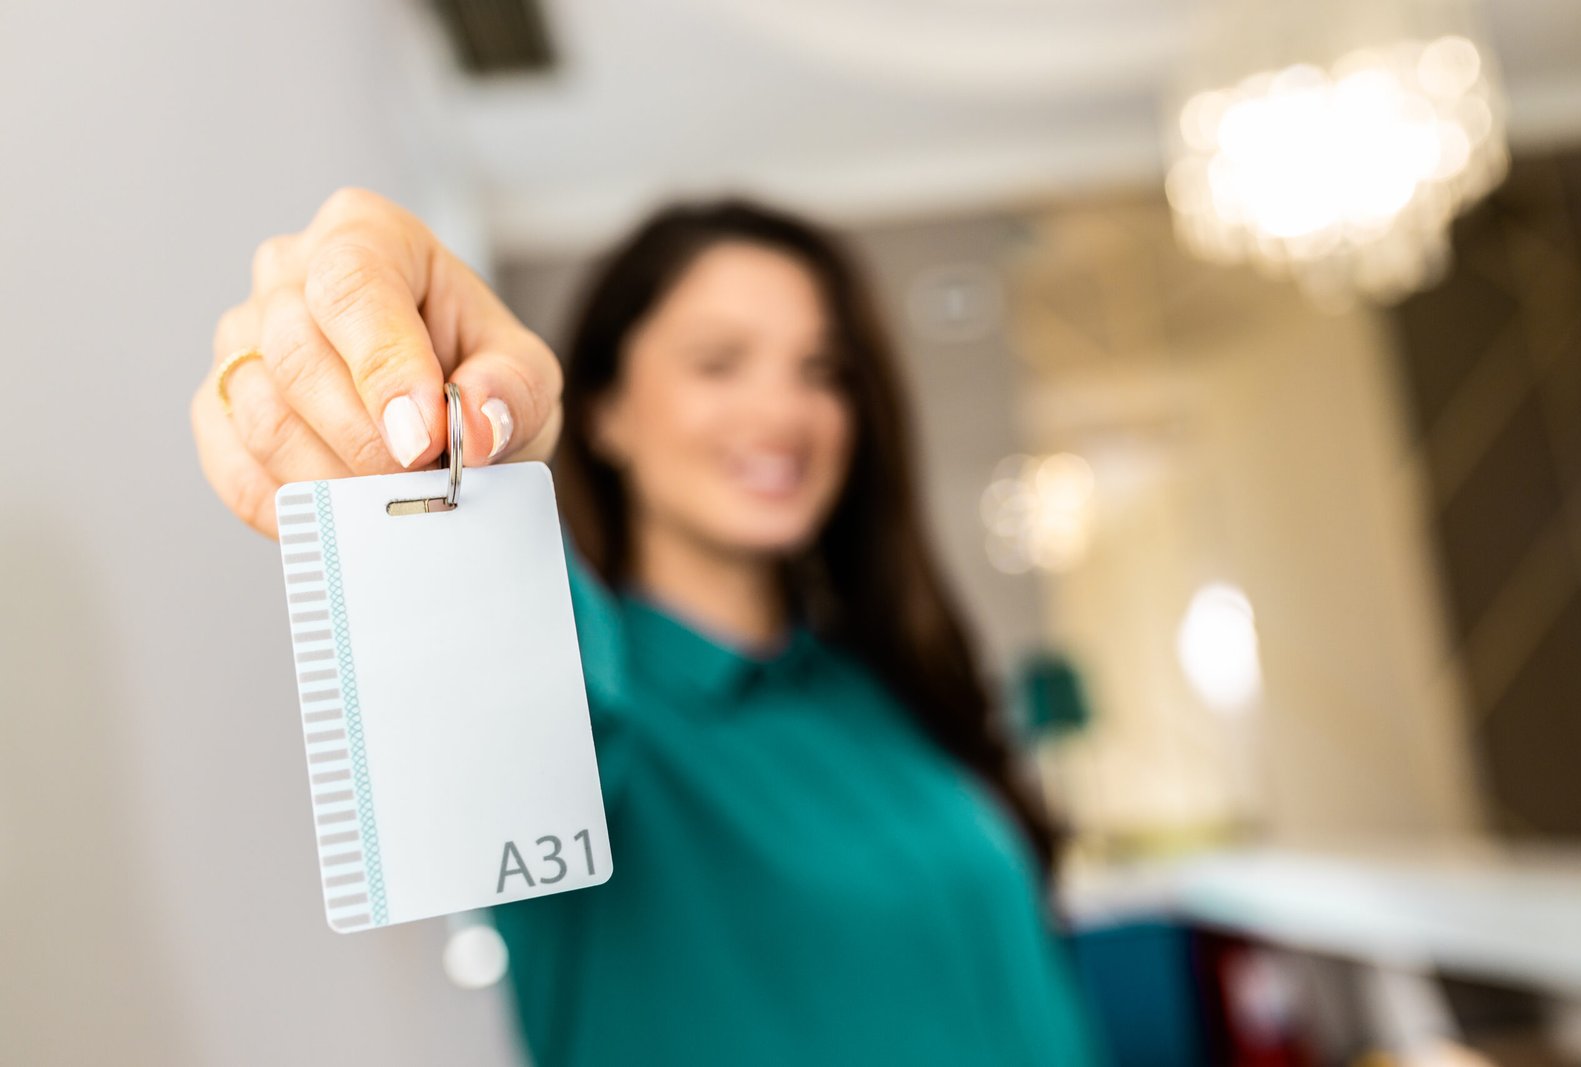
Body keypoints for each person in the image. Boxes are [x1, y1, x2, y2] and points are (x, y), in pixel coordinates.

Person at [193, 188, 1101, 1066]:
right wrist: (406, 361)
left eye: (822, 370)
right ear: (606, 409)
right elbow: (495, 699)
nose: (784, 411)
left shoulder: (879, 688)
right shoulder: (591, 717)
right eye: (718, 362)